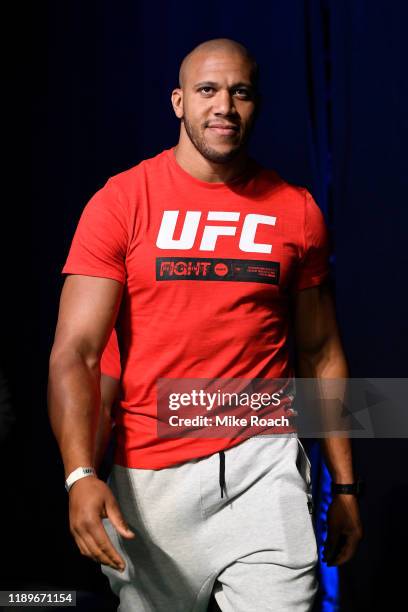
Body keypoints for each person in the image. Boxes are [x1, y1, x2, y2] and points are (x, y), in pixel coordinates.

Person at [48, 38, 362, 611]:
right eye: (208, 91)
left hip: (263, 468)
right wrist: (78, 475)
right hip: (149, 478)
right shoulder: (122, 201)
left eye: (240, 91)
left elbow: (322, 355)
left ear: (257, 103)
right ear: (178, 102)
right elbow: (77, 354)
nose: (224, 106)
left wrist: (343, 485)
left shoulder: (297, 210)